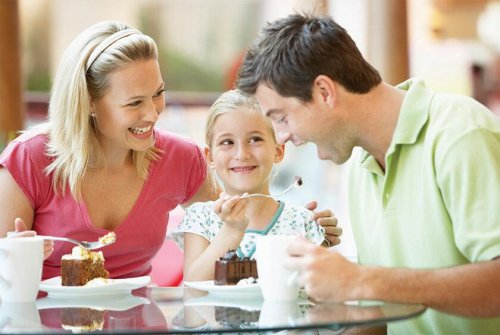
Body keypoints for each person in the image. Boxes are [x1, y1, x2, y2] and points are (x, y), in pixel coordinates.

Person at [0, 20, 340, 281]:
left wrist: (300, 227)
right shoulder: (29, 160)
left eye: (157, 94)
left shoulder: (181, 158)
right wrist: (14, 258)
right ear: (89, 102)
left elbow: (230, 231)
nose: (152, 114)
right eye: (134, 103)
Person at [236, 12, 500, 335]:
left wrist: (359, 279)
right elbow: (380, 317)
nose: (283, 137)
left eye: (282, 118)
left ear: (324, 92)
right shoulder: (361, 169)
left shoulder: (459, 133)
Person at [169, 90, 328, 281]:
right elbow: (194, 287)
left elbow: (316, 291)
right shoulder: (201, 218)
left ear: (278, 150)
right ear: (209, 157)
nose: (242, 154)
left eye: (255, 140)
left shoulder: (301, 221)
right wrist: (232, 230)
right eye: (227, 142)